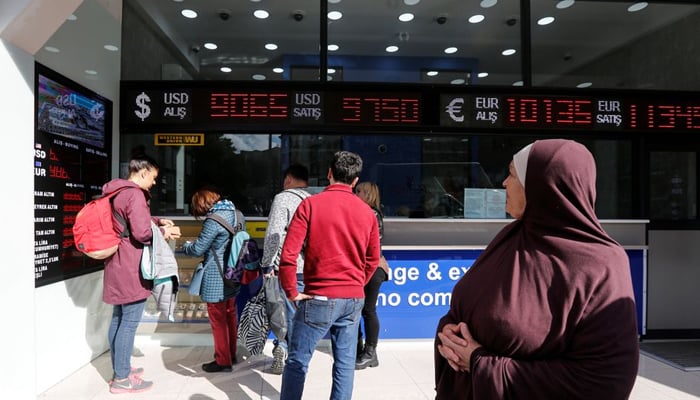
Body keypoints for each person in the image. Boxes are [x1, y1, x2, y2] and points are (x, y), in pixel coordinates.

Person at [434, 139, 639, 399]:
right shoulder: (511, 237)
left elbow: (604, 379)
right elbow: (468, 305)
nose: (504, 183)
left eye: (512, 174)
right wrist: (449, 334)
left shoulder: (602, 265)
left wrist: (481, 363)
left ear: (543, 186)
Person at [278, 151, 381, 400]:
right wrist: (357, 285)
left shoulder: (310, 205)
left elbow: (288, 255)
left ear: (329, 173)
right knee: (345, 366)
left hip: (318, 296)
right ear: (355, 181)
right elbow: (373, 259)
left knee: (297, 362)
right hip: (353, 299)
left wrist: (291, 291)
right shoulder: (368, 213)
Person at [103, 153, 181, 394]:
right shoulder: (135, 194)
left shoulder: (116, 191)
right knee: (128, 324)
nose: (155, 183)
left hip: (116, 263)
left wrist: (156, 221)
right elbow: (141, 233)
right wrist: (164, 233)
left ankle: (120, 369)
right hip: (131, 267)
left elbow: (132, 222)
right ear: (143, 172)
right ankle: (123, 379)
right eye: (154, 177)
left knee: (117, 319)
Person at [183, 186, 241, 373]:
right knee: (230, 314)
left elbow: (198, 249)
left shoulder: (213, 220)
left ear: (202, 204)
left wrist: (186, 246)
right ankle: (231, 353)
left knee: (218, 319)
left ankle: (223, 361)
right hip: (233, 274)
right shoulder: (237, 214)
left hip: (216, 276)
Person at [261, 164, 312, 375]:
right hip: (309, 268)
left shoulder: (283, 198)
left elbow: (274, 233)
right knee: (301, 314)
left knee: (284, 312)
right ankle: (290, 351)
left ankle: (285, 350)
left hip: (287, 266)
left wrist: (267, 264)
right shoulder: (312, 200)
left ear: (289, 179)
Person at [354, 181, 389, 370]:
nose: (355, 193)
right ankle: (359, 348)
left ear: (368, 195)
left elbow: (365, 244)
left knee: (368, 310)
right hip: (363, 268)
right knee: (358, 309)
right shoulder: (367, 213)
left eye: (359, 191)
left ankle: (370, 352)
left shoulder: (372, 215)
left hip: (372, 269)